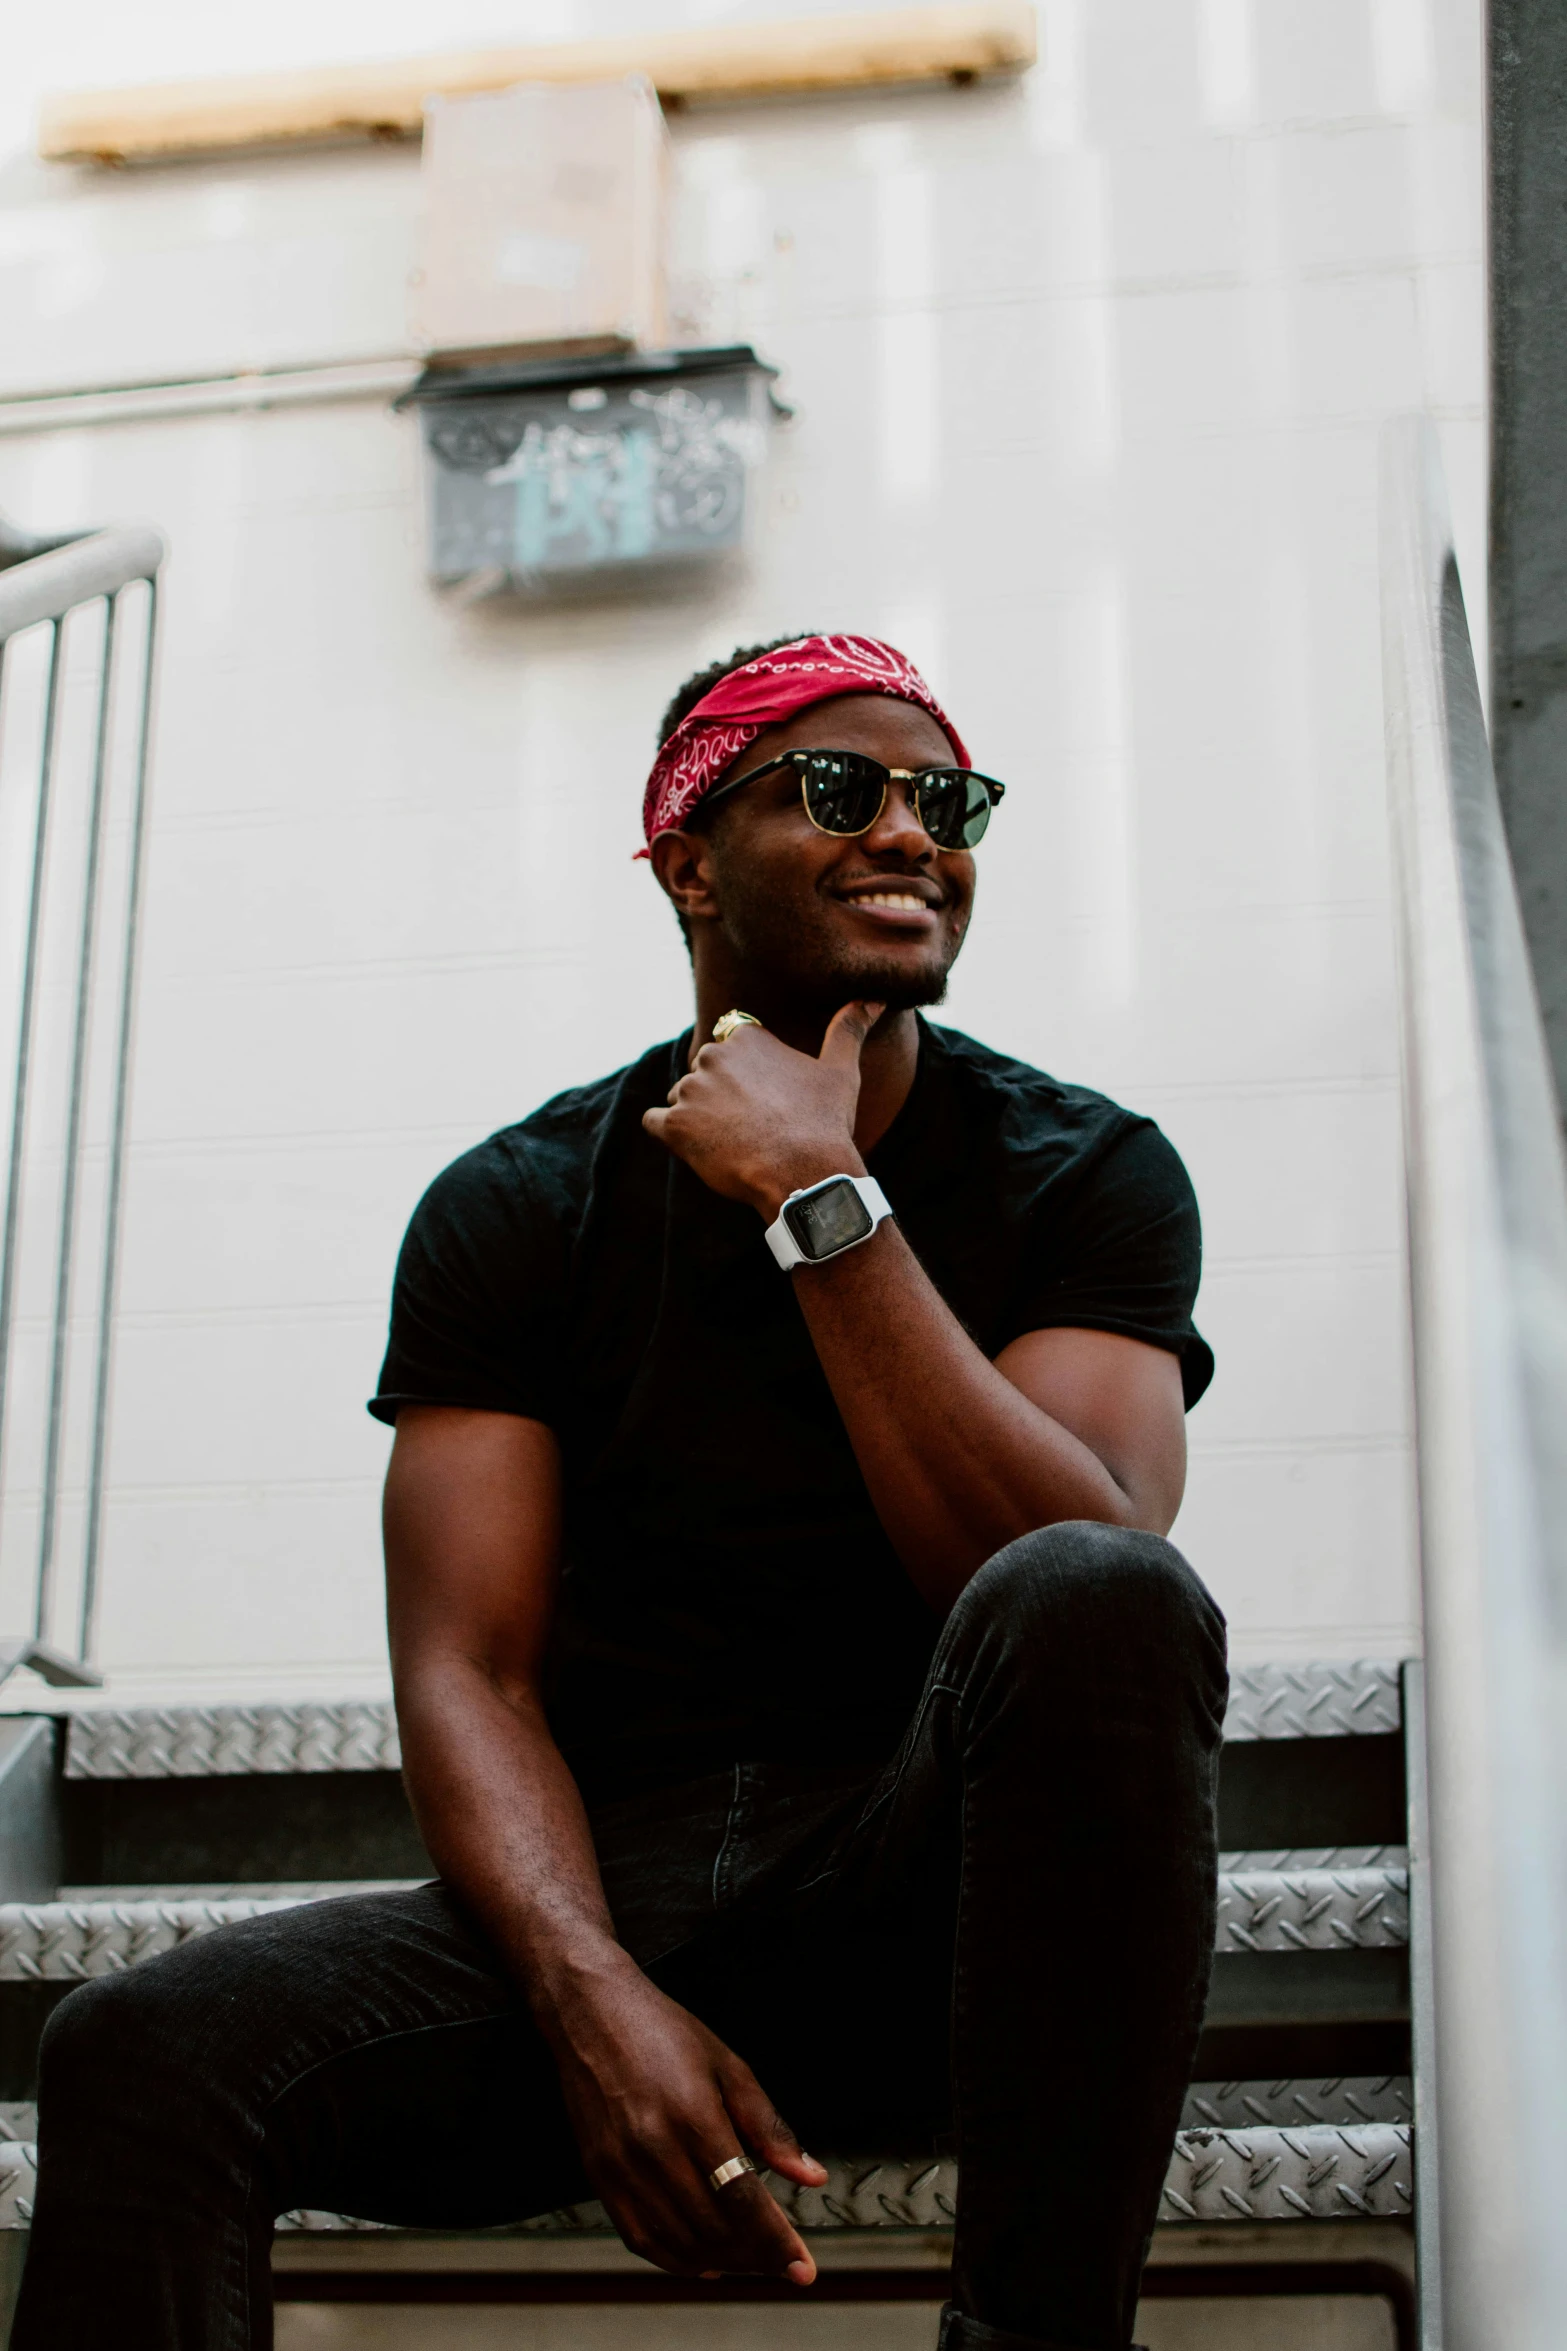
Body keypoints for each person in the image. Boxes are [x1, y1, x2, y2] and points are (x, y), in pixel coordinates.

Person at [14, 633, 1227, 2351]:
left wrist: (820, 1197)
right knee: (137, 2044)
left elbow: (1064, 1560)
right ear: (683, 859)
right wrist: (595, 2000)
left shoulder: (1084, 1170)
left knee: (1103, 1592)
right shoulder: (514, 1206)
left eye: (942, 799)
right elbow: (469, 1669)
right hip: (609, 1908)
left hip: (940, 1926)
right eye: (836, 787)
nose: (906, 831)